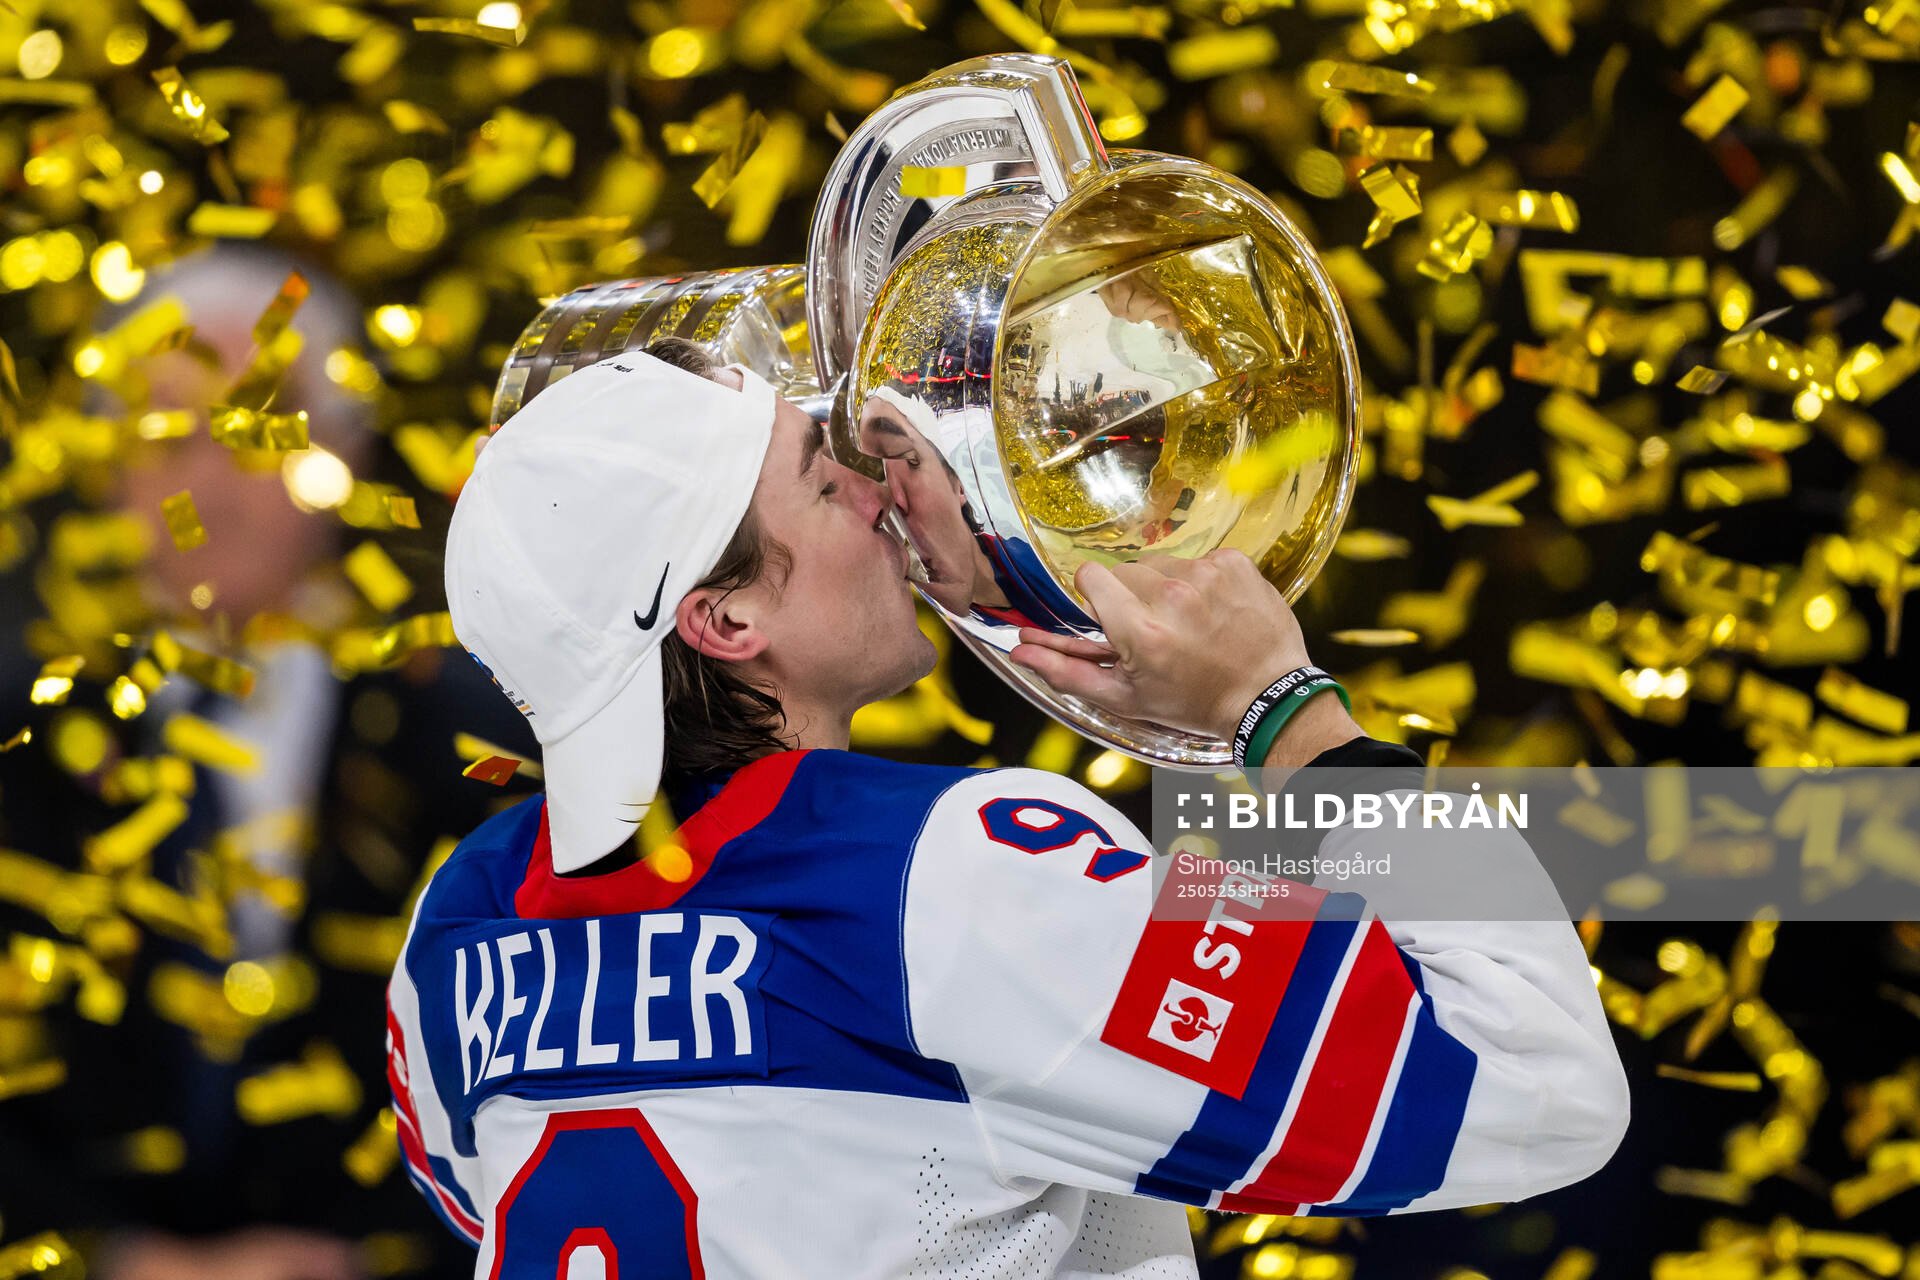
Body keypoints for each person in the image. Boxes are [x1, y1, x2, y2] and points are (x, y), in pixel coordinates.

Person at [388, 340, 1629, 1278]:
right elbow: (1535, 1070)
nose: (878, 488)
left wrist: (1177, 731)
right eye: (825, 486)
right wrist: (1286, 713)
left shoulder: (456, 927)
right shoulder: (954, 876)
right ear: (725, 622)